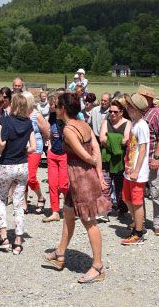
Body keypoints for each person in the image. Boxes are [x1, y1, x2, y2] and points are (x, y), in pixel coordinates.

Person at [43, 93, 110, 283]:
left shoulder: (69, 130)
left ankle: (98, 267)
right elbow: (95, 148)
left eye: (57, 105)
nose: (54, 108)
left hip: (81, 179)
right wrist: (98, 172)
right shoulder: (84, 124)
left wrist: (94, 169)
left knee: (90, 222)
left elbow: (87, 155)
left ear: (63, 109)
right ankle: (60, 254)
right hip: (79, 179)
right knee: (68, 214)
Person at [0, 93, 35, 254]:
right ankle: (18, 240)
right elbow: (33, 147)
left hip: (7, 164)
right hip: (22, 166)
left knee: (1, 199)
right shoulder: (28, 123)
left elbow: (2, 143)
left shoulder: (5, 121)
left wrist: (0, 150)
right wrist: (21, 149)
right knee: (18, 203)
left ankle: (3, 237)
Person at [137, 85, 159, 236]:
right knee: (139, 192)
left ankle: (158, 222)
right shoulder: (139, 114)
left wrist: (156, 158)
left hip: (151, 159)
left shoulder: (157, 114)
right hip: (139, 160)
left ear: (148, 98)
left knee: (156, 191)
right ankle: (139, 220)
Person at [119, 94, 150, 245]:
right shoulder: (135, 123)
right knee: (126, 197)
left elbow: (143, 149)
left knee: (137, 202)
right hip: (129, 169)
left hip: (137, 171)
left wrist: (137, 170)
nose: (127, 108)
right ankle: (137, 222)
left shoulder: (142, 126)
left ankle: (138, 233)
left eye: (130, 106)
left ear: (136, 109)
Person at [99, 98, 131, 217]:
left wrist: (110, 138)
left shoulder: (127, 123)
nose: (112, 114)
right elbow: (102, 139)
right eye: (110, 111)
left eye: (115, 112)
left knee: (120, 186)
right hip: (106, 159)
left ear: (121, 112)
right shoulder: (105, 122)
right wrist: (117, 138)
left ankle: (122, 209)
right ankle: (104, 211)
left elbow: (126, 140)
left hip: (121, 160)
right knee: (105, 185)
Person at [23, 91, 50, 214]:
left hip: (35, 148)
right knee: (22, 176)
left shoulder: (36, 115)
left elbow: (45, 130)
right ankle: (24, 202)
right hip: (22, 148)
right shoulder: (20, 114)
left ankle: (40, 196)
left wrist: (44, 142)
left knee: (30, 177)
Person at [43, 93, 68, 223]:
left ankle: (71, 206)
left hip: (64, 154)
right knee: (52, 184)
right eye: (50, 104)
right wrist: (49, 147)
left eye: (53, 104)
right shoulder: (51, 117)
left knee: (63, 184)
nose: (51, 106)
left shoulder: (66, 119)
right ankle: (55, 212)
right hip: (53, 153)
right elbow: (51, 134)